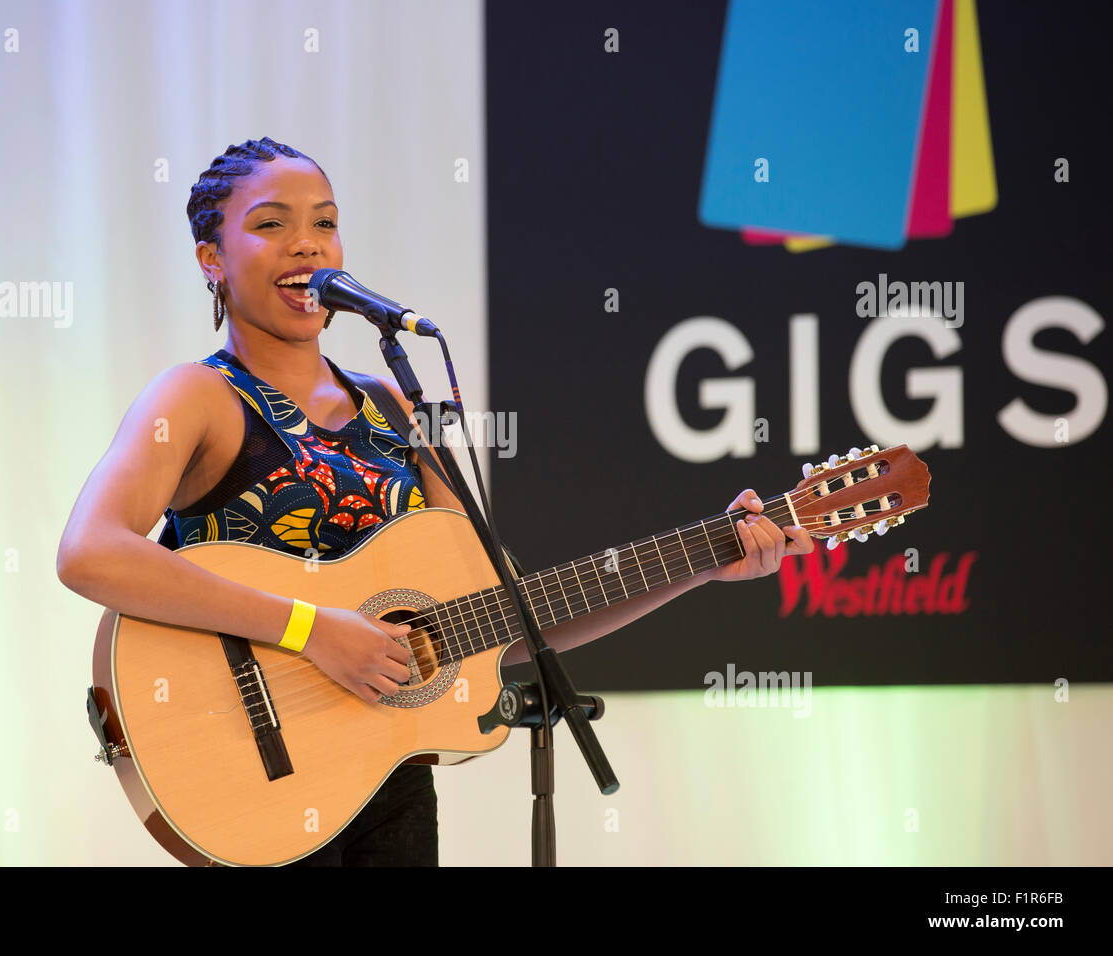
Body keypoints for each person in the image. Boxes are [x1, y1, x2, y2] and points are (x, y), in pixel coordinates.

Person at [55, 136, 815, 867]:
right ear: (211, 260)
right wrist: (313, 629)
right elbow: (90, 552)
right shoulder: (197, 396)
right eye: (270, 225)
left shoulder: (393, 407)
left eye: (325, 222)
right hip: (254, 775)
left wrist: (704, 563)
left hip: (388, 781)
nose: (307, 244)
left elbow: (506, 625)